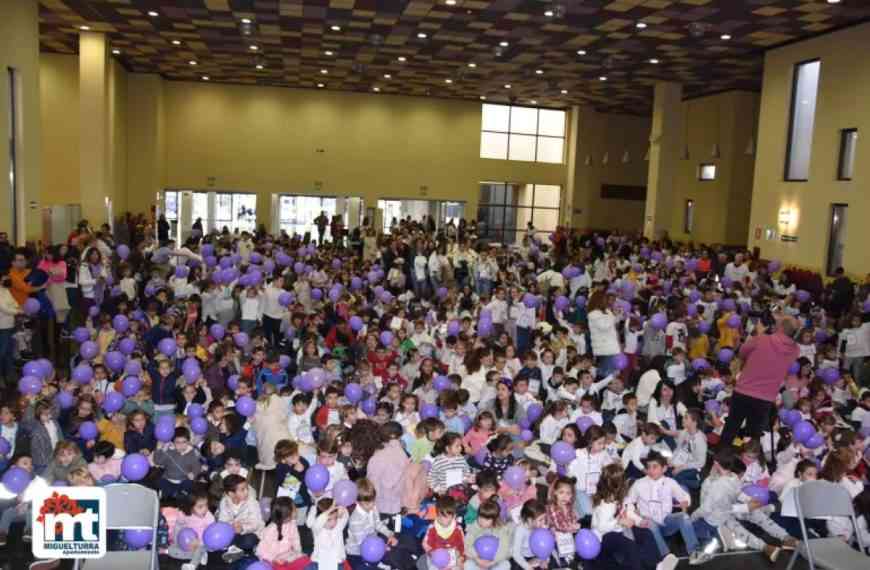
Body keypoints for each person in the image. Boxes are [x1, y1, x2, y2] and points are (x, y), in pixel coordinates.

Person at [719, 316, 800, 449]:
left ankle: (721, 456)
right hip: (765, 398)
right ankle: (748, 460)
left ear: (780, 327)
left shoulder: (762, 339)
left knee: (732, 426)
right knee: (753, 434)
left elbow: (742, 352)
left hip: (744, 390)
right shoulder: (795, 350)